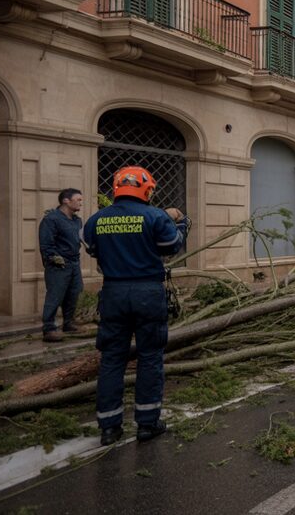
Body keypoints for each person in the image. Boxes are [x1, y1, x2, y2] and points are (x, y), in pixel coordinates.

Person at [84, 165, 190, 446]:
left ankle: (109, 427)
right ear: (146, 189)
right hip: (147, 292)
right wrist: (181, 223)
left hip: (113, 293)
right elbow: (171, 246)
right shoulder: (155, 216)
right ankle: (147, 423)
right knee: (150, 356)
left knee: (112, 359)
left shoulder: (96, 220)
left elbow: (91, 249)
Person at [38, 188, 85, 342]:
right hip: (58, 265)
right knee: (55, 296)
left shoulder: (77, 221)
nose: (80, 203)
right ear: (66, 200)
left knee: (74, 292)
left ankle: (68, 323)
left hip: (74, 262)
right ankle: (49, 328)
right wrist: (54, 259)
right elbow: (46, 244)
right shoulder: (51, 219)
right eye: (78, 199)